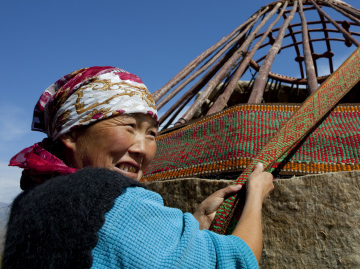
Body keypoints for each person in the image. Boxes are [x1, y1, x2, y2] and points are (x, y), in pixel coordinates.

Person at [3, 66, 273, 269]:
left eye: (152, 134)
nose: (142, 149)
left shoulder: (31, 202)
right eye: (129, 127)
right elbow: (236, 262)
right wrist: (255, 197)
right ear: (71, 134)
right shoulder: (108, 198)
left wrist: (198, 218)